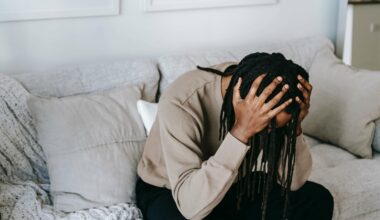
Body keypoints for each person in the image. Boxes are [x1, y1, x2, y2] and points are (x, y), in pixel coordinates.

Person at [135, 52, 334, 220]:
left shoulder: (265, 91)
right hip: (173, 192)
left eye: (278, 127)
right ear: (242, 103)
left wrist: (294, 128)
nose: (270, 133)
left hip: (234, 184)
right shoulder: (182, 101)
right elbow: (190, 207)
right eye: (268, 126)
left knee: (318, 199)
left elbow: (294, 182)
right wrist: (241, 131)